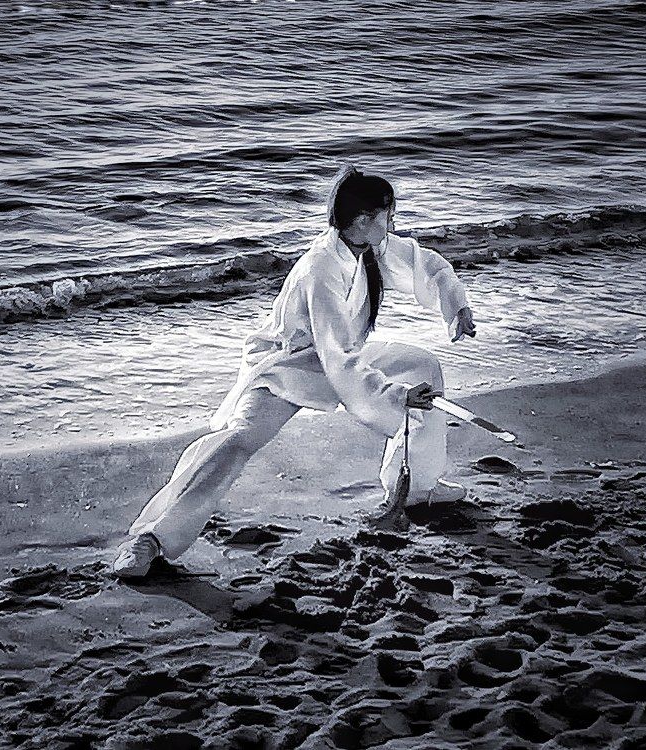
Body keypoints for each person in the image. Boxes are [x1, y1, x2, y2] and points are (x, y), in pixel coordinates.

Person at [113, 165, 478, 579]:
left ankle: (413, 489)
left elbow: (424, 265)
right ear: (363, 220)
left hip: (336, 361)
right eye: (388, 217)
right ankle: (150, 539)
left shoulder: (369, 248)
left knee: (422, 365)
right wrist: (394, 395)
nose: (393, 224)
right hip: (286, 369)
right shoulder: (321, 269)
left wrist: (456, 307)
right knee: (237, 441)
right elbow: (338, 356)